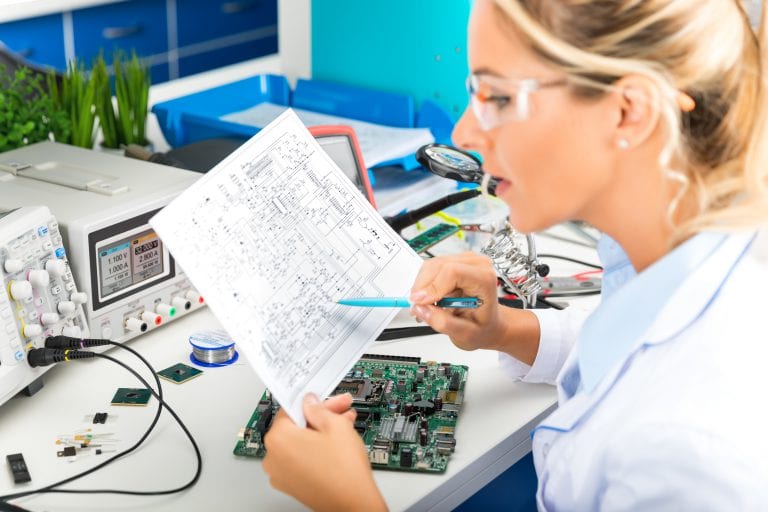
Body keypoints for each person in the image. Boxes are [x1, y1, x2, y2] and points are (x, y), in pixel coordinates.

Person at [263, 0, 768, 509]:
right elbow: (626, 349)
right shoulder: (678, 255)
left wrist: (348, 503)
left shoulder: (692, 460)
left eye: (498, 98)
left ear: (628, 112)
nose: (462, 134)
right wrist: (503, 330)